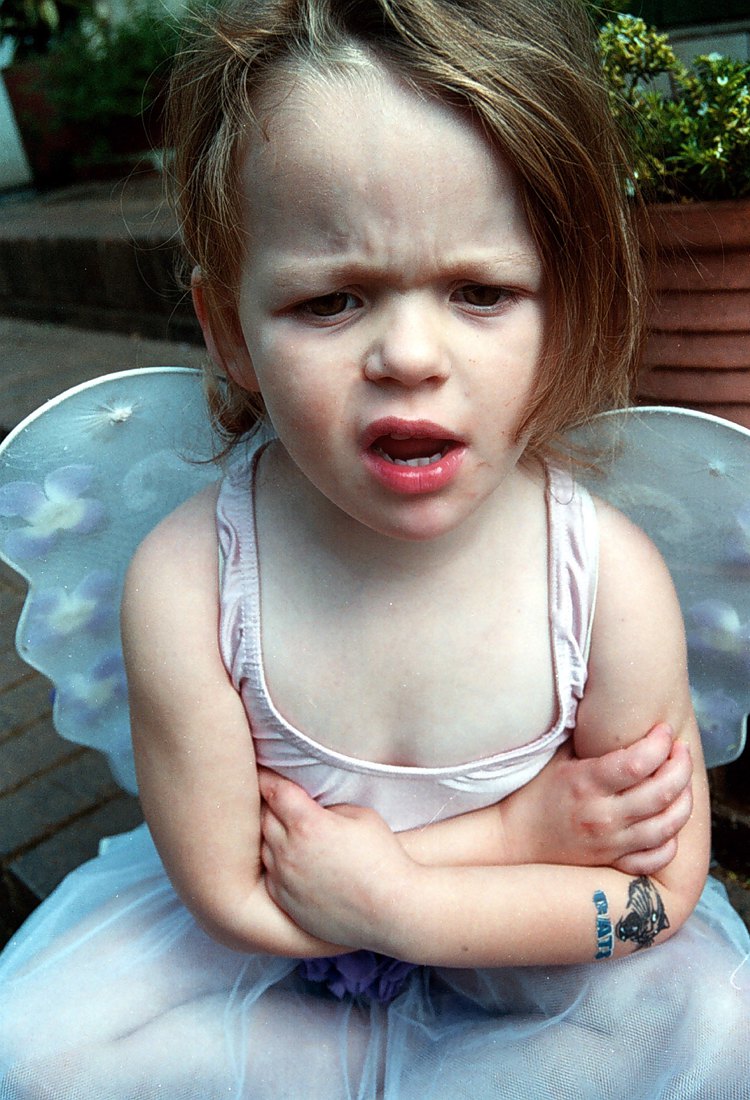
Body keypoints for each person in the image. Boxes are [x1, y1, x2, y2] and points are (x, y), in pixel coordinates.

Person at [0, 0, 748, 1096]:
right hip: (268, 964)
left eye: (481, 292)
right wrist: (514, 830)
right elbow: (231, 893)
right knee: (34, 1044)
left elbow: (651, 900)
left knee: (720, 1023)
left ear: (568, 307)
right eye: (330, 300)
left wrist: (408, 899)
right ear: (228, 330)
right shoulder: (188, 579)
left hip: (527, 954)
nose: (407, 354)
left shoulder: (608, 581)